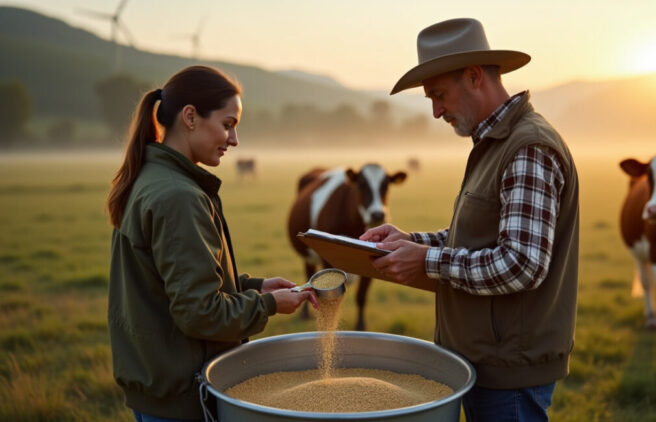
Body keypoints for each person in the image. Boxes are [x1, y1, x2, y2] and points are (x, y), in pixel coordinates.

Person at [361, 18, 579, 422]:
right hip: (484, 359)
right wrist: (411, 241)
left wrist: (425, 261)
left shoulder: (526, 147)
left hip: (509, 370)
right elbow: (478, 237)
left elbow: (521, 264)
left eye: (439, 95)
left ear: (475, 76)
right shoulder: (495, 142)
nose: (435, 110)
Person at [106, 65, 317, 422]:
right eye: (228, 124)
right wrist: (266, 304)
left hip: (160, 390)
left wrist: (255, 286)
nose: (234, 140)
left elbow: (175, 286)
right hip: (182, 399)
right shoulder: (178, 196)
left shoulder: (152, 177)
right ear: (190, 117)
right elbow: (199, 313)